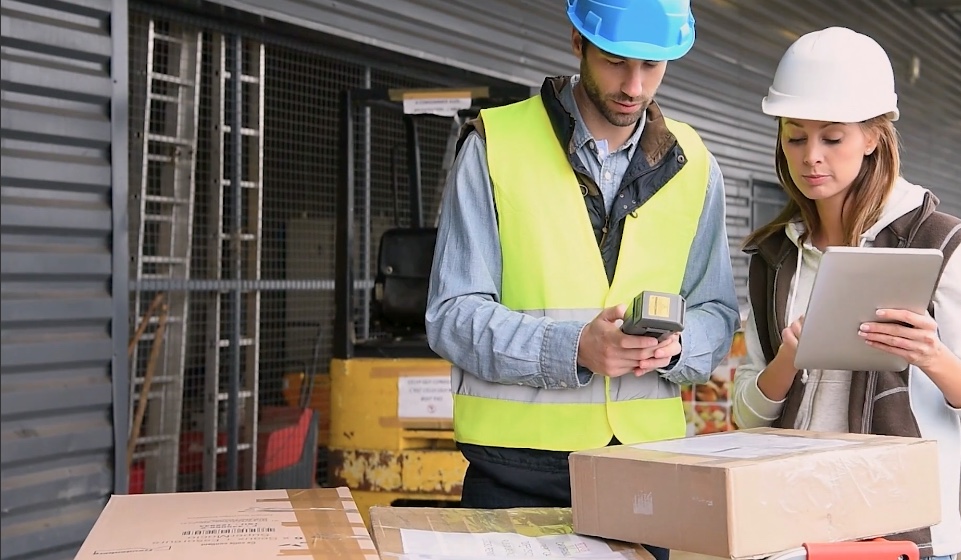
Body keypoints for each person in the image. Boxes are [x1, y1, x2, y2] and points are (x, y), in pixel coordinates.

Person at [425, 1, 739, 558]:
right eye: (617, 61)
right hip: (515, 471)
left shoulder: (697, 165)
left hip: (645, 470)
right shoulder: (494, 146)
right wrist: (574, 348)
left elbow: (715, 310)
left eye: (653, 65)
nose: (634, 86)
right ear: (578, 41)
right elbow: (452, 313)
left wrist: (676, 348)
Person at [732, 27, 961, 560]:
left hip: (909, 533)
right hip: (795, 528)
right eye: (794, 136)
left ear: (874, 137)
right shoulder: (774, 257)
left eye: (832, 138)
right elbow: (746, 415)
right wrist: (789, 358)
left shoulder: (938, 244)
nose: (811, 156)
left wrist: (932, 356)